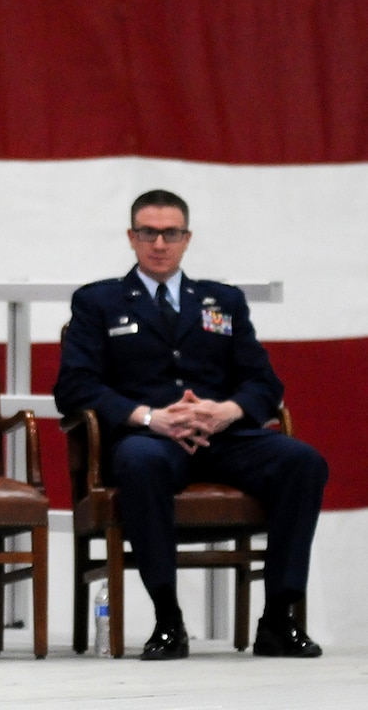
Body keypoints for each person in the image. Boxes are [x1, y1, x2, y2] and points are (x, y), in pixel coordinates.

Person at [55, 189, 328, 660]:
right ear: (131, 237)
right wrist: (150, 417)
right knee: (141, 464)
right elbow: (75, 387)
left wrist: (229, 411)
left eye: (171, 233)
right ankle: (168, 619)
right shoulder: (98, 301)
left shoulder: (222, 300)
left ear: (187, 238)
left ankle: (279, 618)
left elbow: (264, 381)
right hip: (149, 440)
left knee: (303, 462)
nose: (159, 243)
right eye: (148, 232)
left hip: (223, 438)